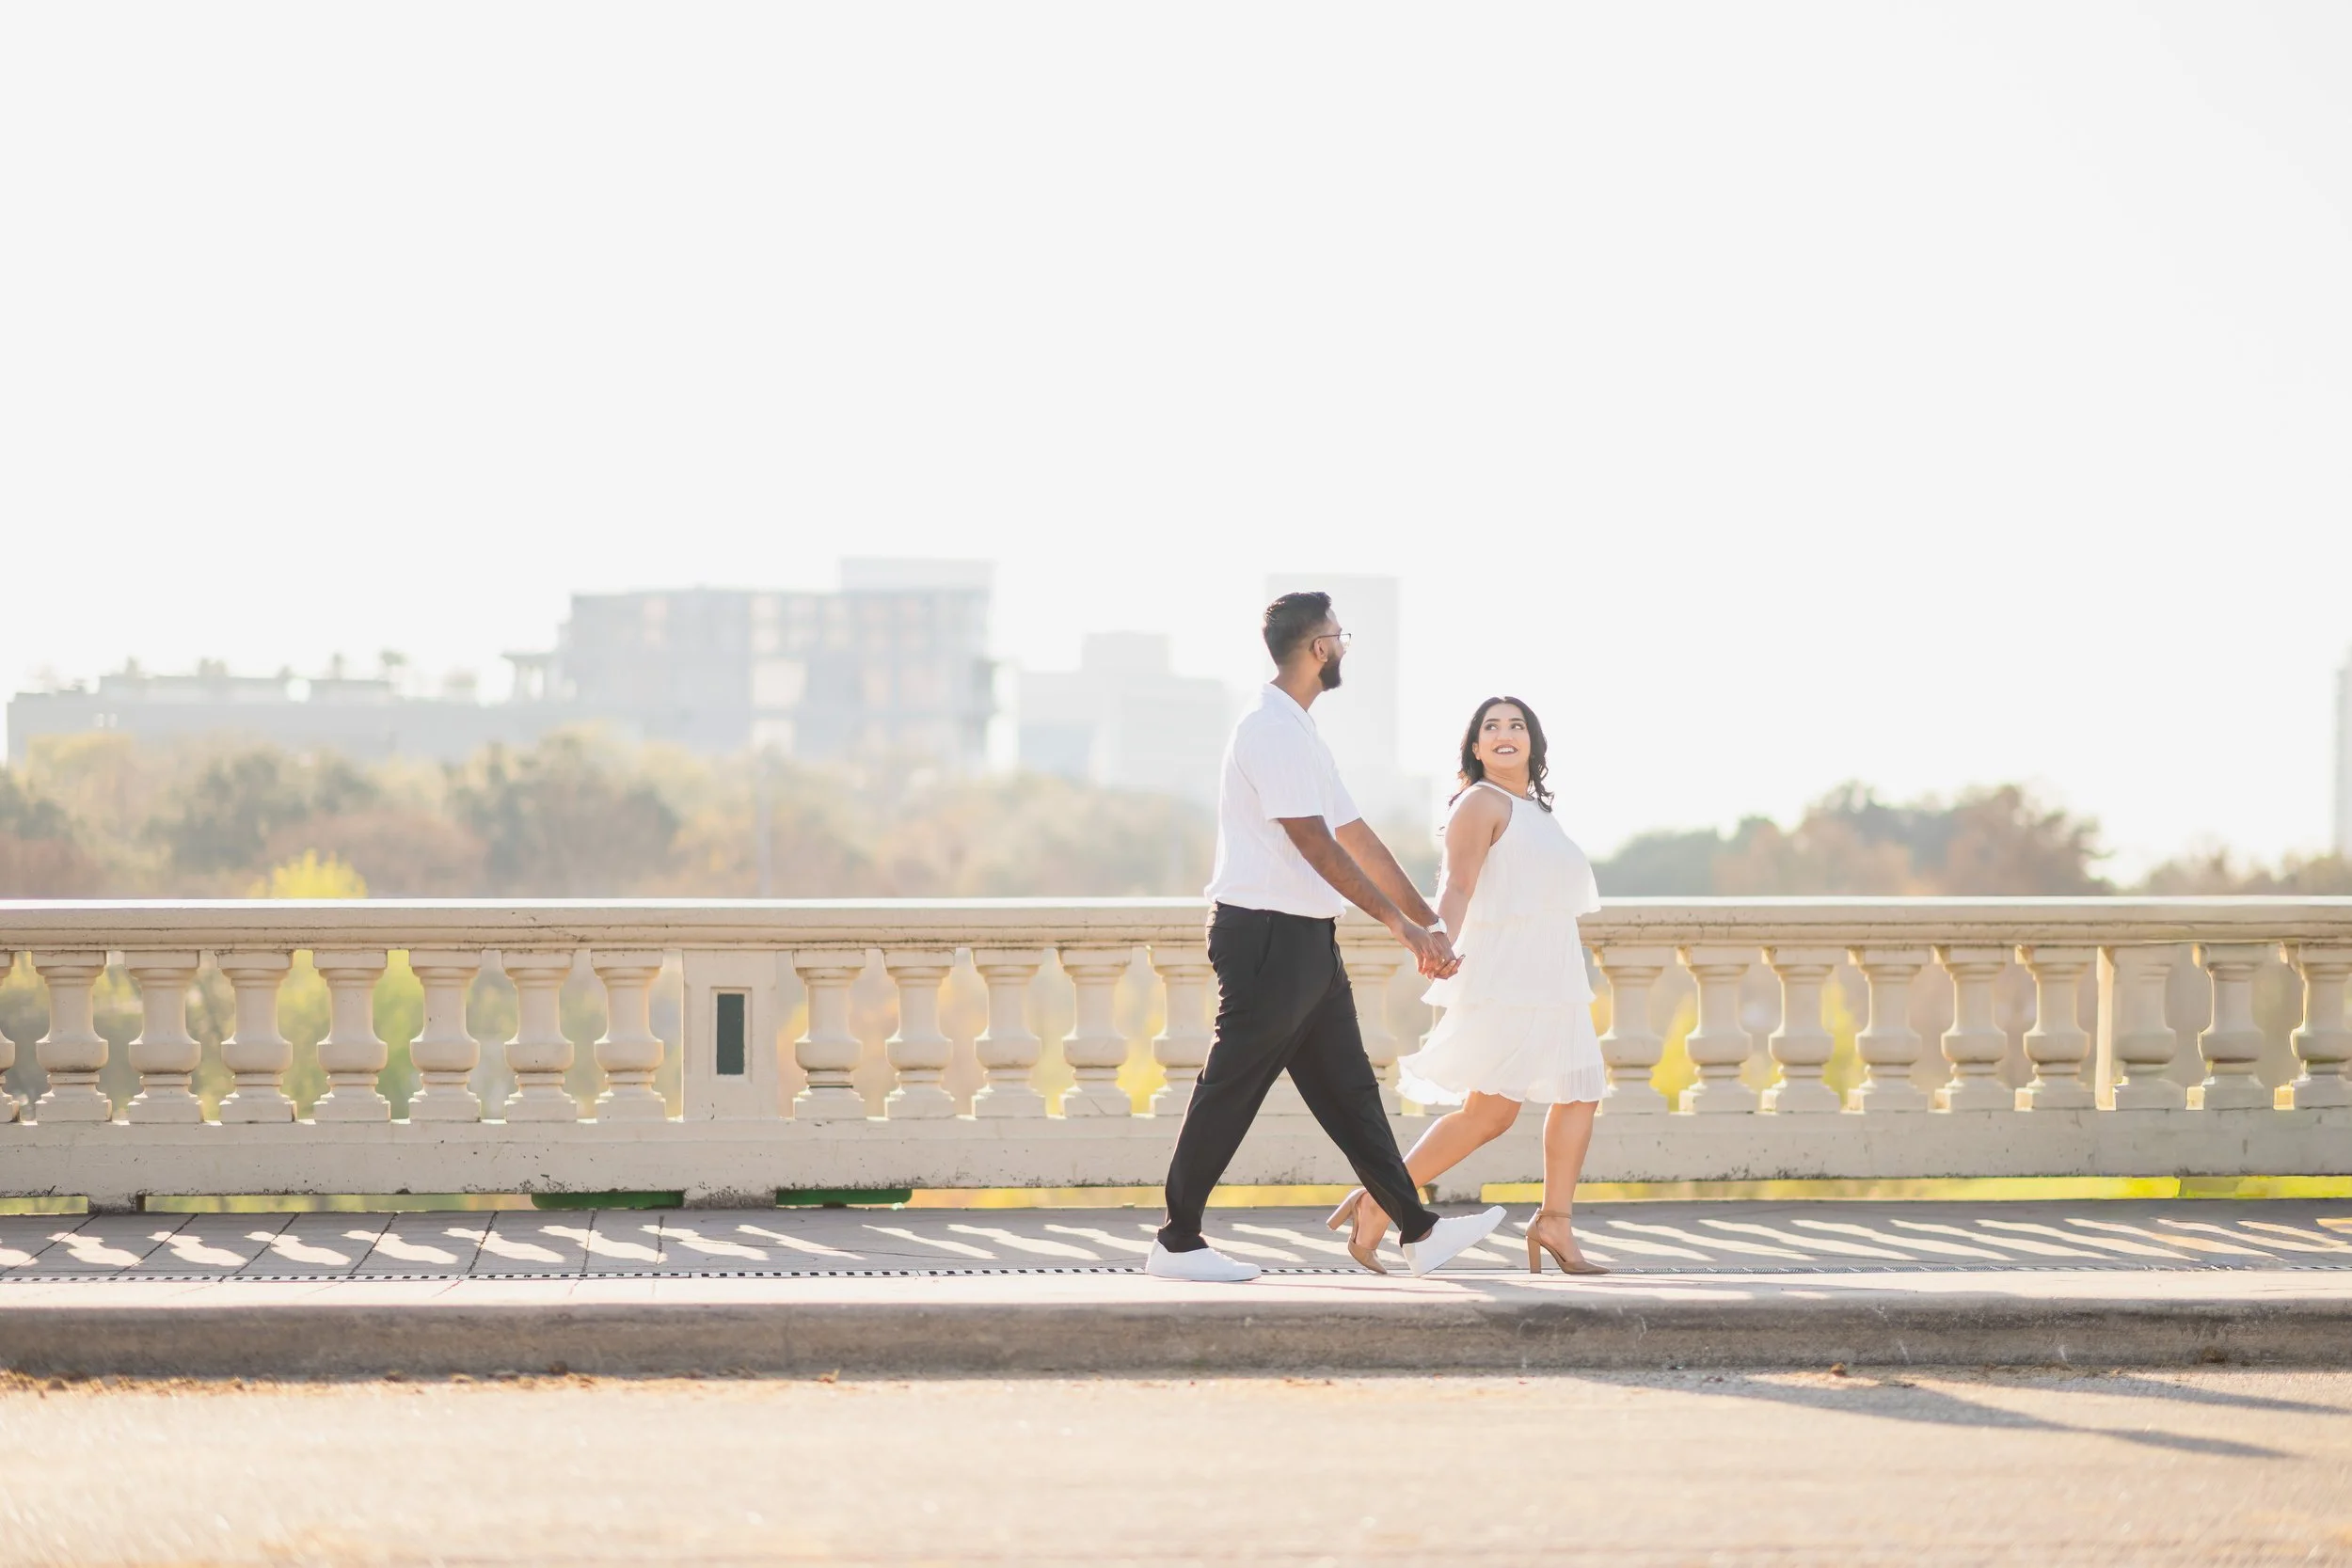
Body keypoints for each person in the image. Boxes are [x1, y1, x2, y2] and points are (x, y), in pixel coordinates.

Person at [1145, 592, 1506, 1283]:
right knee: (1231, 1087)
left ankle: (1419, 1230)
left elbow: (1355, 835)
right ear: (1319, 649)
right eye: (1340, 636)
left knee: (1350, 1094)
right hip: (1266, 937)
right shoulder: (1270, 730)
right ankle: (1177, 1240)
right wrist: (1399, 926)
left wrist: (1428, 922)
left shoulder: (1300, 731)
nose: (1344, 647)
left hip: (1306, 939)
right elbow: (1314, 842)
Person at [1326, 696, 1610, 1275]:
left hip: (1555, 976)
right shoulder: (1481, 802)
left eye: (1517, 725)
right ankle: (1382, 1201)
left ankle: (1555, 1221)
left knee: (1580, 1090)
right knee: (1490, 1114)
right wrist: (1440, 942)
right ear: (1475, 747)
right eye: (1491, 726)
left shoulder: (1535, 810)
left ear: (1533, 742)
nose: (1505, 733)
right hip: (1511, 978)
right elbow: (1456, 885)